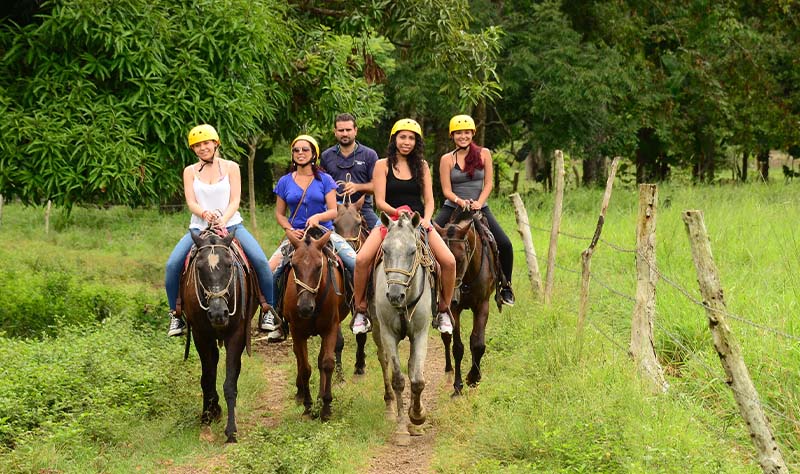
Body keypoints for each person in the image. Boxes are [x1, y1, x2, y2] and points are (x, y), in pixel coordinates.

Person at [165, 124, 279, 337]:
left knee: (261, 262)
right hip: (199, 229)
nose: (202, 148)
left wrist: (223, 221)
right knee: (172, 264)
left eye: (206, 143)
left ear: (216, 143)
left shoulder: (231, 167)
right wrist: (205, 214)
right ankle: (175, 315)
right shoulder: (189, 171)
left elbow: (235, 199)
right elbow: (191, 202)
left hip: (232, 224)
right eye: (197, 145)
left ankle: (268, 310)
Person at [351, 118, 457, 335]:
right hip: (390, 222)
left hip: (417, 223)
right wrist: (397, 213)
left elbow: (429, 201)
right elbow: (379, 201)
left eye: (411, 138)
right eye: (402, 137)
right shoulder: (382, 165)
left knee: (449, 261)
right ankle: (361, 310)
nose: (406, 142)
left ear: (416, 142)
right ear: (394, 139)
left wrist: (427, 219)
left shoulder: (422, 166)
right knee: (361, 259)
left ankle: (444, 309)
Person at [265, 134, 357, 342]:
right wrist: (289, 228)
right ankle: (275, 317)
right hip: (296, 236)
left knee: (355, 262)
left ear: (314, 154)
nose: (300, 153)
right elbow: (279, 213)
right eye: (296, 150)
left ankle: (360, 309)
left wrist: (318, 217)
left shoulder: (325, 180)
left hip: (324, 234)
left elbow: (334, 211)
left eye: (305, 150)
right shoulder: (284, 181)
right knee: (270, 271)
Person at [434, 114, 515, 306]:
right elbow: (446, 190)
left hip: (480, 207)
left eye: (467, 132)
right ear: (452, 135)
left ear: (473, 133)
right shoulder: (446, 159)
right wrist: (459, 200)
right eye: (459, 133)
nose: (463, 136)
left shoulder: (484, 153)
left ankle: (505, 286)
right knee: (428, 236)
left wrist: (479, 202)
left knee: (505, 244)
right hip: (453, 206)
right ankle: (432, 286)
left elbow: (488, 183)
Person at [319, 113, 380, 229]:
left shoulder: (369, 155)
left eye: (348, 130)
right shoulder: (326, 156)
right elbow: (321, 186)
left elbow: (377, 187)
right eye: (341, 130)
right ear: (335, 131)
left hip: (363, 209)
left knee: (383, 236)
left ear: (355, 130)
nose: (345, 133)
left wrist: (358, 187)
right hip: (333, 209)